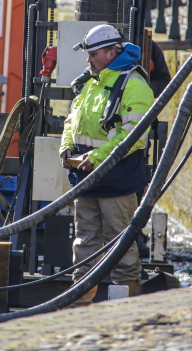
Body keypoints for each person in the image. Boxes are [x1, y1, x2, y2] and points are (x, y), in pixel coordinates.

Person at [59, 25, 154, 305]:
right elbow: (71, 119)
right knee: (85, 243)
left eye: (94, 54)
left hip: (116, 179)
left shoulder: (133, 85)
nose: (89, 59)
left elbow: (135, 137)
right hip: (87, 179)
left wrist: (98, 158)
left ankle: (122, 311)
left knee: (120, 246)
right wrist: (66, 147)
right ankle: (80, 306)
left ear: (112, 53)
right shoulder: (92, 83)